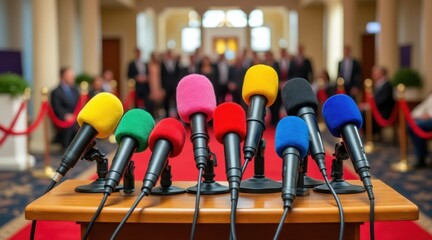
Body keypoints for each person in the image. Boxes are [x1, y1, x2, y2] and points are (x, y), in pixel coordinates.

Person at [50, 67, 79, 149]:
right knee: (70, 124)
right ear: (63, 76)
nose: (72, 78)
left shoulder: (75, 90)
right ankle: (66, 148)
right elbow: (56, 108)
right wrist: (66, 115)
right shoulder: (56, 92)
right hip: (63, 118)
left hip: (75, 116)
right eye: (70, 75)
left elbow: (78, 104)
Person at [362, 66, 395, 134]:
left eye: (374, 73)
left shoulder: (387, 86)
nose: (372, 75)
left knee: (365, 114)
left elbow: (380, 101)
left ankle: (370, 135)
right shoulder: (379, 84)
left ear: (381, 74)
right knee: (362, 112)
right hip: (377, 110)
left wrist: (368, 106)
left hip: (383, 113)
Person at [408, 93, 432, 168]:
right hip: (426, 120)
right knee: (412, 126)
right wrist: (419, 116)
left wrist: (429, 115)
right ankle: (421, 156)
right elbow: (418, 110)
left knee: (416, 125)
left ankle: (421, 156)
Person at [127, 48, 153, 113]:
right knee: (136, 102)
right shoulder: (131, 64)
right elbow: (128, 75)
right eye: (137, 53)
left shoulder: (145, 63)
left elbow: (148, 73)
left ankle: (147, 116)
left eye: (139, 53)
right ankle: (137, 115)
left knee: (146, 102)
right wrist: (136, 78)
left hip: (145, 86)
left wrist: (146, 77)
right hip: (137, 86)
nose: (138, 54)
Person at [160, 50, 180, 117]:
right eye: (168, 54)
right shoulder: (163, 63)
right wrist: (162, 87)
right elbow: (161, 76)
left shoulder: (176, 63)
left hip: (174, 86)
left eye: (170, 54)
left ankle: (178, 115)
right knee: (166, 101)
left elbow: (178, 75)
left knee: (176, 100)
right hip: (166, 86)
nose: (169, 55)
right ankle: (167, 116)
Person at [148, 52, 165, 119]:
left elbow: (162, 76)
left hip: (158, 83)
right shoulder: (149, 65)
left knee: (159, 101)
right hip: (152, 84)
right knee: (152, 101)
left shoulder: (159, 65)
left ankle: (159, 114)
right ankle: (153, 115)